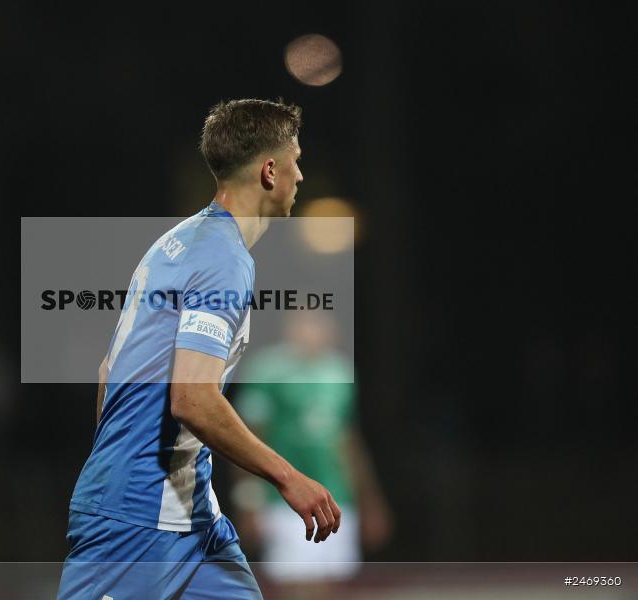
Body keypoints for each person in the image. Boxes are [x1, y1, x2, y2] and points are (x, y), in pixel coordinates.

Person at [57, 99, 342, 600]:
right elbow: (191, 398)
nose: (302, 174)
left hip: (192, 515)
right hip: (139, 519)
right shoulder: (222, 259)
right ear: (270, 170)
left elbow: (109, 371)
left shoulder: (178, 241)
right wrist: (288, 477)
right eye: (296, 159)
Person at [234, 311, 393, 599]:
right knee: (295, 585)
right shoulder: (267, 370)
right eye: (304, 322)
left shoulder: (340, 371)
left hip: (336, 496)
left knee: (331, 585)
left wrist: (370, 501)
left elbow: (347, 441)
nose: (312, 330)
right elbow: (248, 438)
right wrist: (248, 499)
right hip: (288, 499)